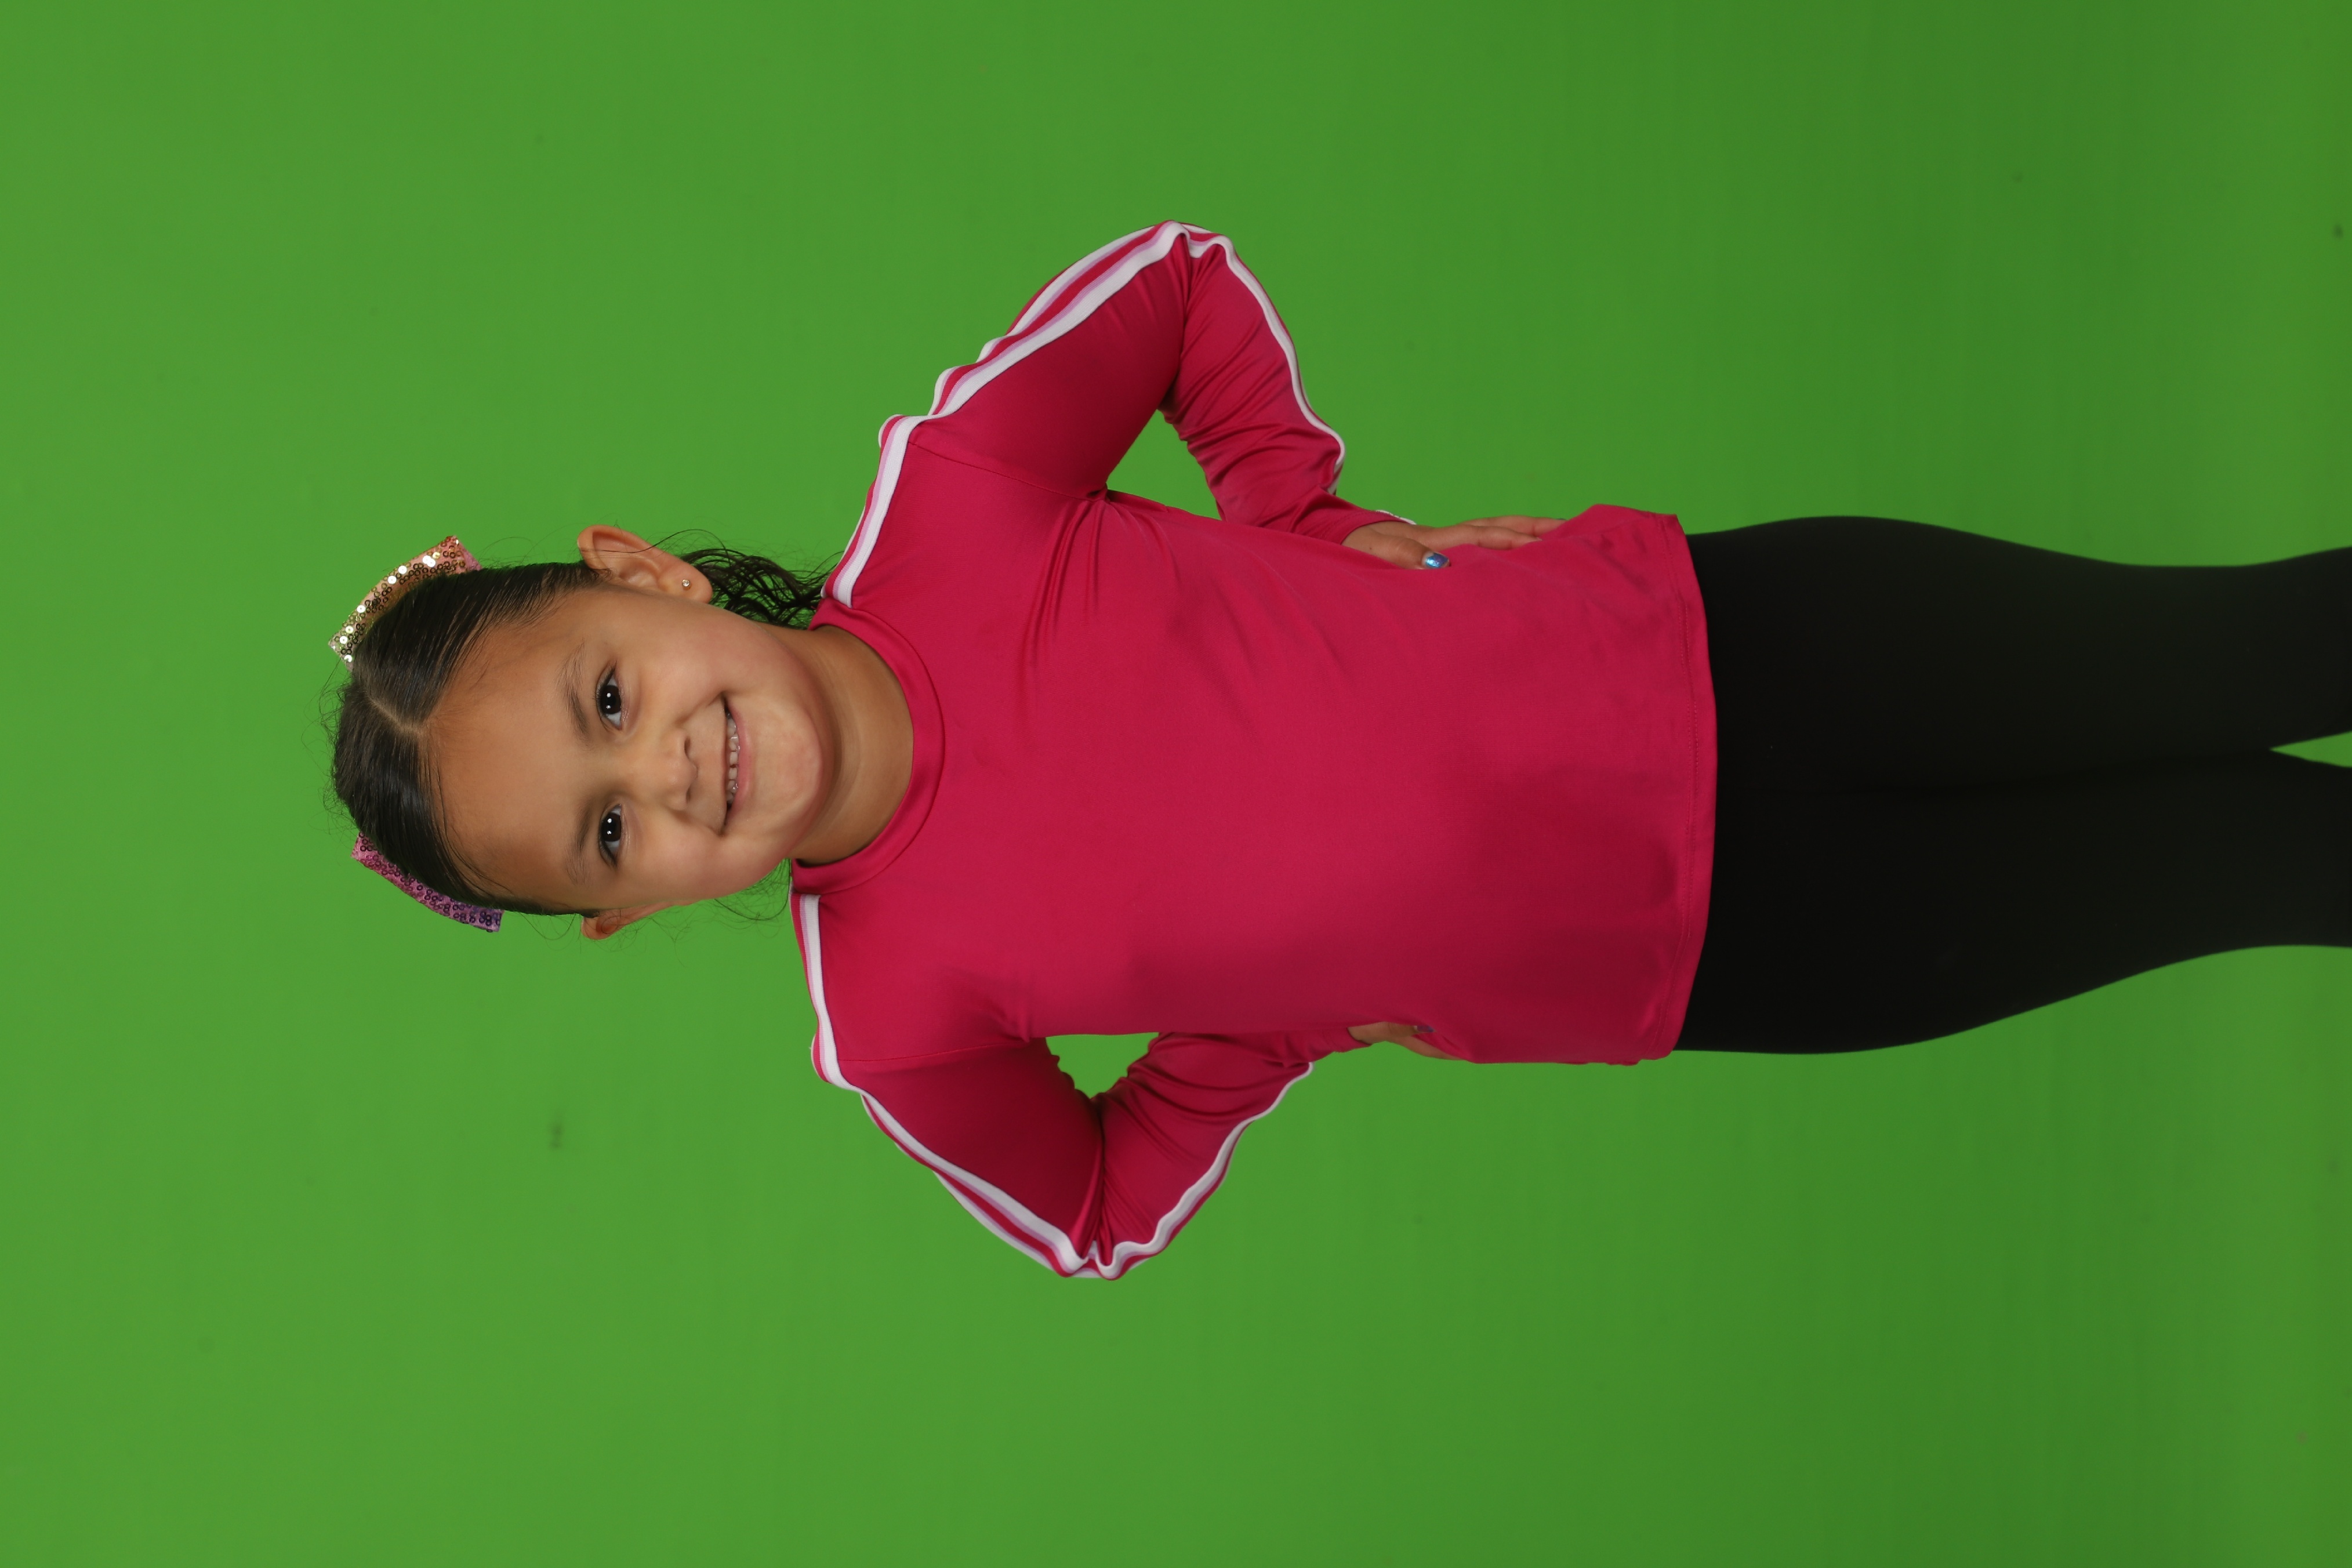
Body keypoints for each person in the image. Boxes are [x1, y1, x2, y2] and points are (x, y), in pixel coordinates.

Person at [328, 222, 2352, 1277]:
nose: (665, 776)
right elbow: (1096, 1208)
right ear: (623, 913)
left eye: (609, 698)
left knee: (2258, 643)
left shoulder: (953, 492)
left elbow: (1178, 282)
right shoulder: (896, 1027)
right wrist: (1267, 1015)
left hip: (1732, 642)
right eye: (606, 837)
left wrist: (1298, 519)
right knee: (2260, 864)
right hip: (1718, 951)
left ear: (640, 576)